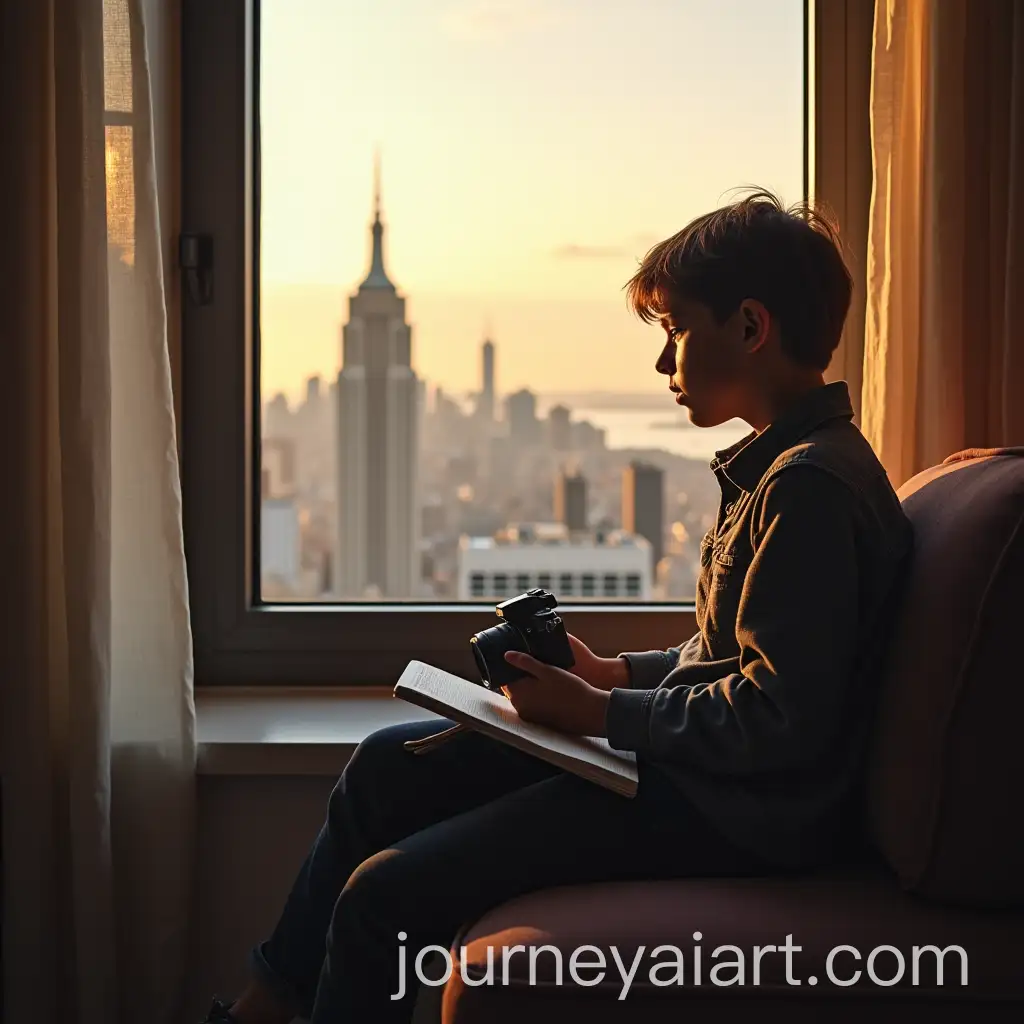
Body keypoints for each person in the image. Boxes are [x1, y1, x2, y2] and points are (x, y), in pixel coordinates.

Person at [201, 191, 912, 1023]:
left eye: (678, 331)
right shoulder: (782, 470)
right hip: (708, 778)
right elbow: (729, 658)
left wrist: (601, 712)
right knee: (387, 767)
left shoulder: (809, 489)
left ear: (751, 327)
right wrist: (612, 673)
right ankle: (261, 1006)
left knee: (383, 895)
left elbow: (779, 718)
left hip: (736, 812)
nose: (664, 362)